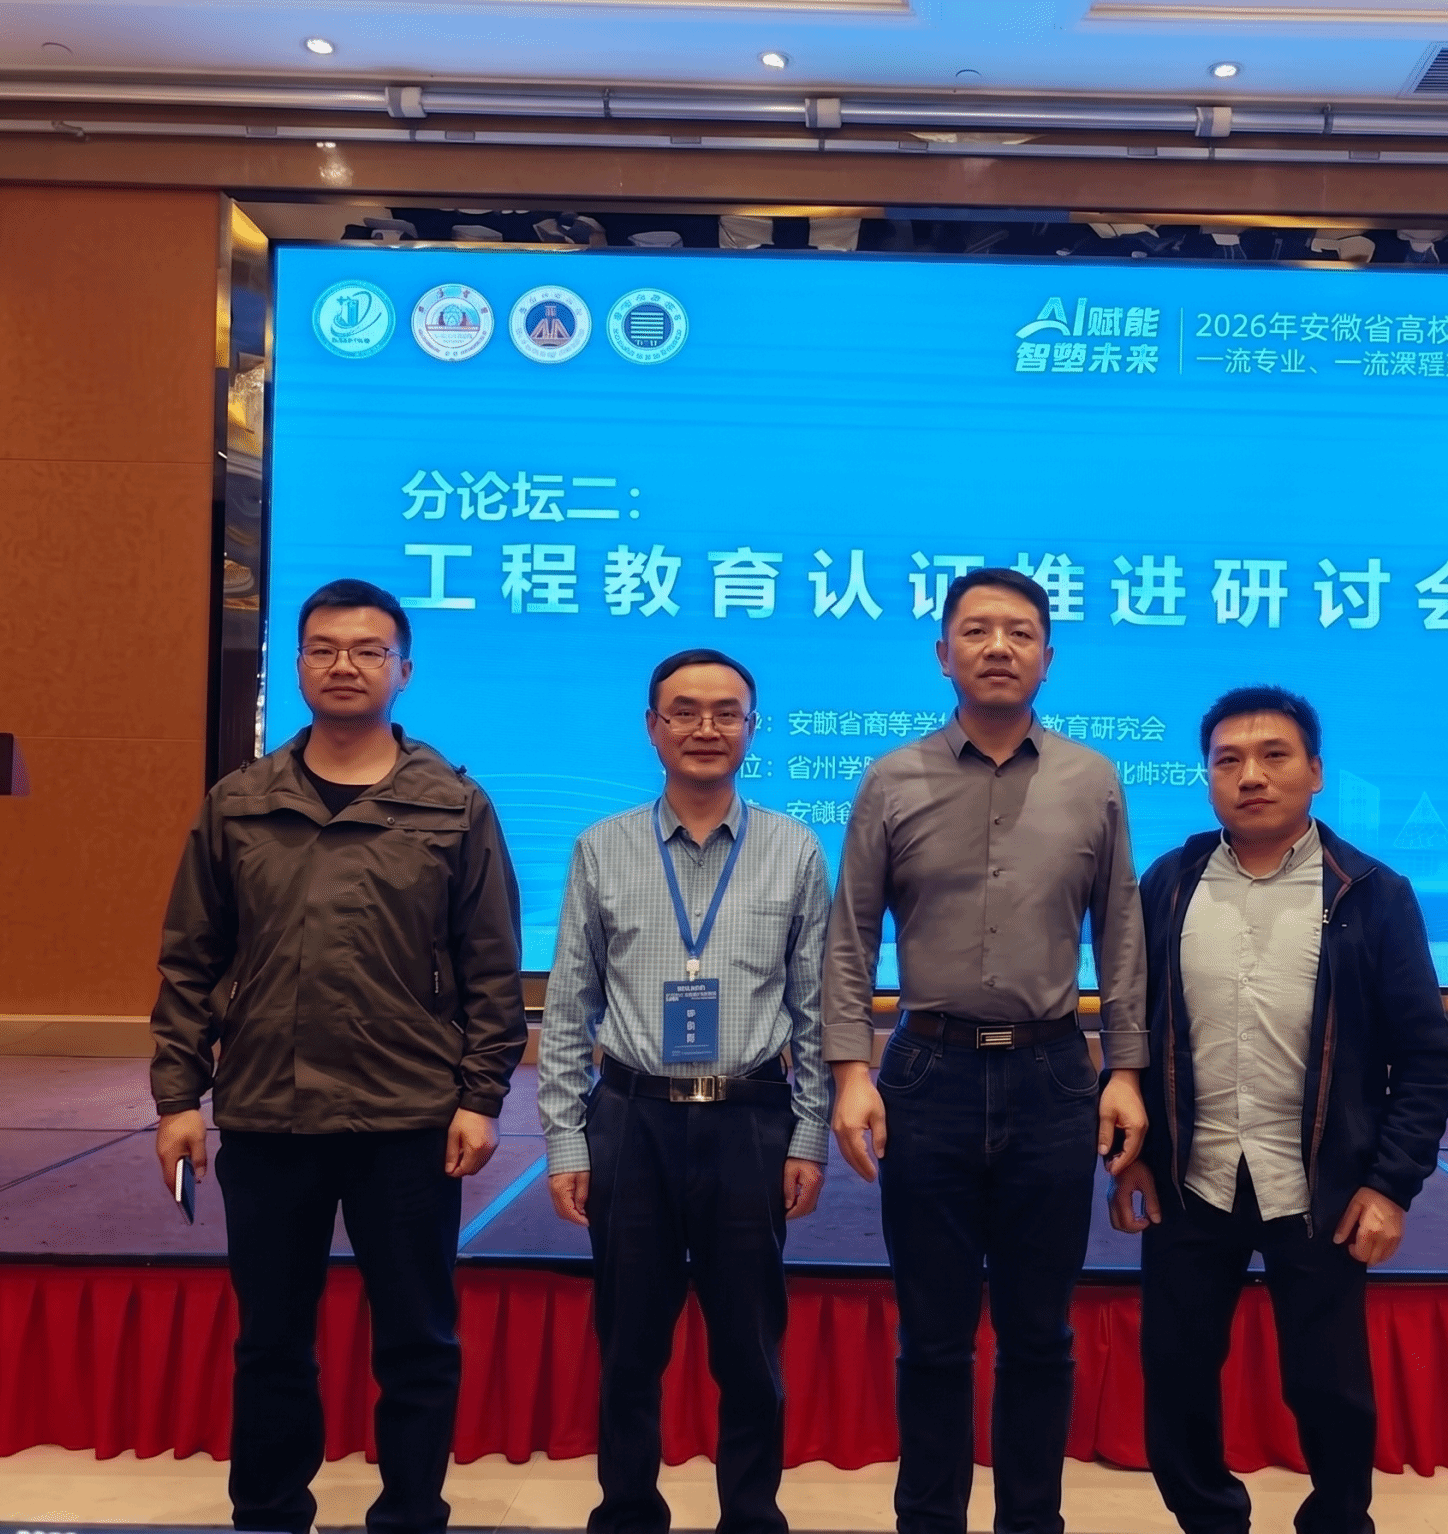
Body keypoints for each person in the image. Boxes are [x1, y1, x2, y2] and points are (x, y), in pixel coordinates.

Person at [150, 578, 526, 1534]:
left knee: (418, 1341)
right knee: (271, 1342)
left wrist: (481, 1096)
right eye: (323, 648)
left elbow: (490, 965)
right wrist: (178, 1098)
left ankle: (411, 1515)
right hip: (268, 1113)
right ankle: (269, 1514)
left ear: (404, 670)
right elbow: (191, 959)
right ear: (298, 665)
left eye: (367, 650)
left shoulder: (453, 806)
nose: (344, 665)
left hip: (407, 1117)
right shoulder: (239, 804)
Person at [823, 567, 1149, 1534]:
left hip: (1054, 1076)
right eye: (975, 631)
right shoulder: (892, 778)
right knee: (932, 1339)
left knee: (1040, 1337)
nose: (998, 647)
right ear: (943, 654)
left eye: (1018, 632)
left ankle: (1030, 1524)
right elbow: (851, 933)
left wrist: (1126, 1069)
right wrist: (849, 1070)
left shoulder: (1093, 779)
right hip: (928, 1074)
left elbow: (1120, 933)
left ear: (1048, 656)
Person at [1108, 685, 1448, 1534]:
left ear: (1316, 772)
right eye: (1227, 760)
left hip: (1322, 1187)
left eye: (1274, 756)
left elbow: (1425, 1058)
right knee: (1177, 1379)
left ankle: (1337, 1522)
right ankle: (1210, 1520)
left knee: (1330, 1390)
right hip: (1191, 1180)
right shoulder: (1168, 884)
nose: (1251, 776)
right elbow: (1135, 1029)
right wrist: (1135, 1158)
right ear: (1207, 778)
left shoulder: (1371, 893)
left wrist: (1391, 1186)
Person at [539, 648, 831, 1534]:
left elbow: (815, 1008)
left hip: (750, 1120)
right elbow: (569, 1006)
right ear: (652, 727)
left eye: (726, 712)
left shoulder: (795, 848)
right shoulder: (602, 847)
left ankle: (751, 1515)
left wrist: (809, 1135)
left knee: (750, 1350)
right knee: (629, 1349)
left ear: (752, 727)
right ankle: (628, 1512)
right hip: (632, 1119)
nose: (706, 727)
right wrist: (565, 1139)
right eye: (685, 710)